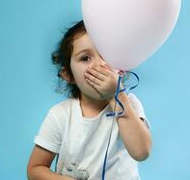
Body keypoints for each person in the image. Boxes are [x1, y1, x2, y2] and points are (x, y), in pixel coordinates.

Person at [27, 20, 152, 180]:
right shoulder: (60, 115)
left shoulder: (130, 104)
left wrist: (117, 95)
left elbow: (141, 152)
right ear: (69, 75)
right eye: (85, 58)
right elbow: (35, 169)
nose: (100, 64)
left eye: (106, 54)